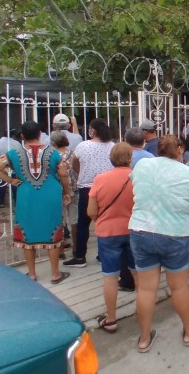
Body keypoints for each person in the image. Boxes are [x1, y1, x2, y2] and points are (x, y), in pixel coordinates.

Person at [129, 135, 189, 353]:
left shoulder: (142, 165)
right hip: (175, 234)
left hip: (141, 231)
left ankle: (144, 339)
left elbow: (137, 188)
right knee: (179, 287)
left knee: (145, 288)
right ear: (180, 150)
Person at [0, 120, 71, 283]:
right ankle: (55, 273)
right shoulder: (52, 152)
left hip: (26, 194)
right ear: (40, 134)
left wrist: (10, 180)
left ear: (23, 136)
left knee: (27, 231)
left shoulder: (14, 153)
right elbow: (62, 173)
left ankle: (31, 273)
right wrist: (66, 191)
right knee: (53, 230)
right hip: (50, 194)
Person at [88, 143, 136, 333]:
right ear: (130, 158)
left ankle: (111, 318)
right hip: (133, 230)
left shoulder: (100, 179)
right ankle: (145, 311)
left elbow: (91, 211)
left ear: (111, 158)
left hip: (107, 233)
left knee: (110, 276)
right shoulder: (137, 178)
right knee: (138, 274)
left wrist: (101, 219)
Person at [64, 118, 114, 268]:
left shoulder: (83, 146)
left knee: (83, 224)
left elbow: (74, 163)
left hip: (87, 187)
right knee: (105, 222)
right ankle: (103, 254)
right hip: (108, 188)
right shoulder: (113, 146)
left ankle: (80, 256)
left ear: (93, 130)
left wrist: (83, 173)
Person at [51, 130, 78, 258]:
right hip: (72, 189)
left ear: (53, 143)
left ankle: (60, 251)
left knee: (59, 221)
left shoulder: (52, 156)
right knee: (74, 219)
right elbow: (77, 170)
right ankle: (76, 248)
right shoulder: (73, 154)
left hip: (58, 191)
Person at [0, 128, 21, 208]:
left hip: (2, 164)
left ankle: (1, 201)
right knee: (14, 183)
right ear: (13, 134)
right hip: (13, 165)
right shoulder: (16, 143)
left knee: (1, 183)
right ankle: (16, 201)